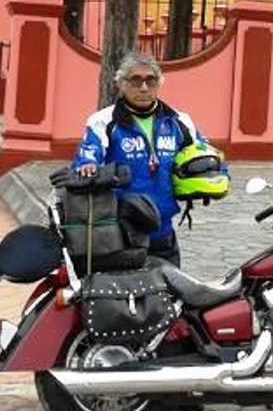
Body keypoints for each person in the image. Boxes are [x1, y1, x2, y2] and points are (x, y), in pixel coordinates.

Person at [72, 51, 217, 267]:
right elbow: (88, 155)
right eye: (135, 80)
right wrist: (88, 165)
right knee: (126, 296)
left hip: (164, 231)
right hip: (122, 232)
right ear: (121, 84)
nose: (143, 88)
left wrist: (214, 176)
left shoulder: (178, 121)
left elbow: (205, 154)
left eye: (151, 80)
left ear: (159, 84)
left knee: (170, 295)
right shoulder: (103, 121)